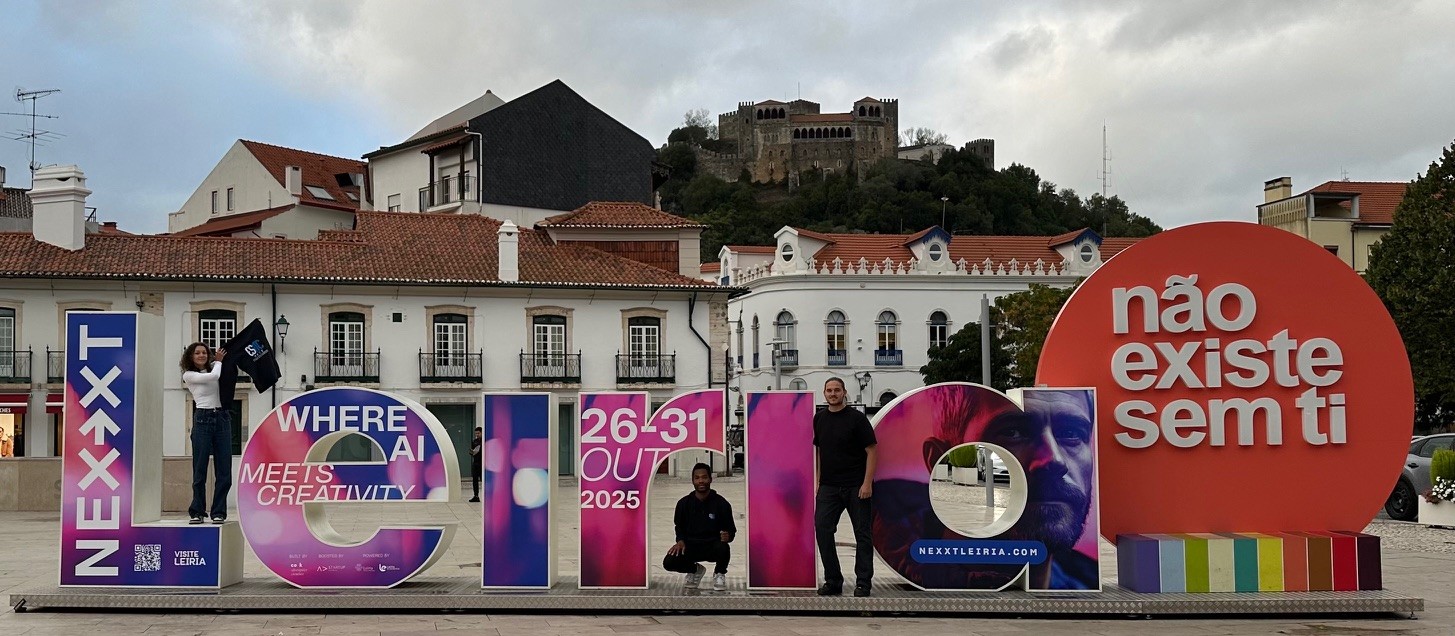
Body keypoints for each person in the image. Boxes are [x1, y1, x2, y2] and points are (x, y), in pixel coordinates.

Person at [814, 377, 877, 597]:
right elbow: (819, 451)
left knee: (862, 534)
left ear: (844, 392)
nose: (833, 394)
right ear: (824, 393)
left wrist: (867, 483)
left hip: (856, 486)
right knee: (822, 529)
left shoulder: (857, 419)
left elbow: (872, 450)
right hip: (829, 487)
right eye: (829, 390)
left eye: (837, 390)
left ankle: (863, 582)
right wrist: (818, 481)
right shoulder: (819, 419)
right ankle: (833, 581)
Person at [662, 462, 736, 592]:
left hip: (712, 546)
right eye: (697, 478)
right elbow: (679, 527)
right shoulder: (683, 504)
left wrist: (728, 536)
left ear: (710, 479)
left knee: (724, 548)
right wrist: (680, 541)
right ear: (692, 480)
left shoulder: (722, 504)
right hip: (691, 546)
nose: (701, 481)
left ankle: (719, 574)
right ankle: (695, 570)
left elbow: (731, 530)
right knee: (669, 562)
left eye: (704, 477)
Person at [180, 342, 229, 524]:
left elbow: (222, 369)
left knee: (224, 471)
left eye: (204, 352)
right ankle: (197, 511)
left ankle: (218, 512)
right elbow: (214, 376)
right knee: (200, 469)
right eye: (197, 353)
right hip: (202, 419)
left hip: (222, 418)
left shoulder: (215, 368)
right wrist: (219, 361)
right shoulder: (189, 375)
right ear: (190, 357)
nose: (201, 355)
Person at [469, 426, 483, 503]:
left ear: (481, 433)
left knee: (483, 479)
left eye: (478, 433)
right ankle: (476, 495)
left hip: (482, 463)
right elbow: (472, 451)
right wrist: (472, 452)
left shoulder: (484, 441)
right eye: (476, 433)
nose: (477, 435)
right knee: (475, 480)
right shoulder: (475, 441)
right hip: (476, 462)